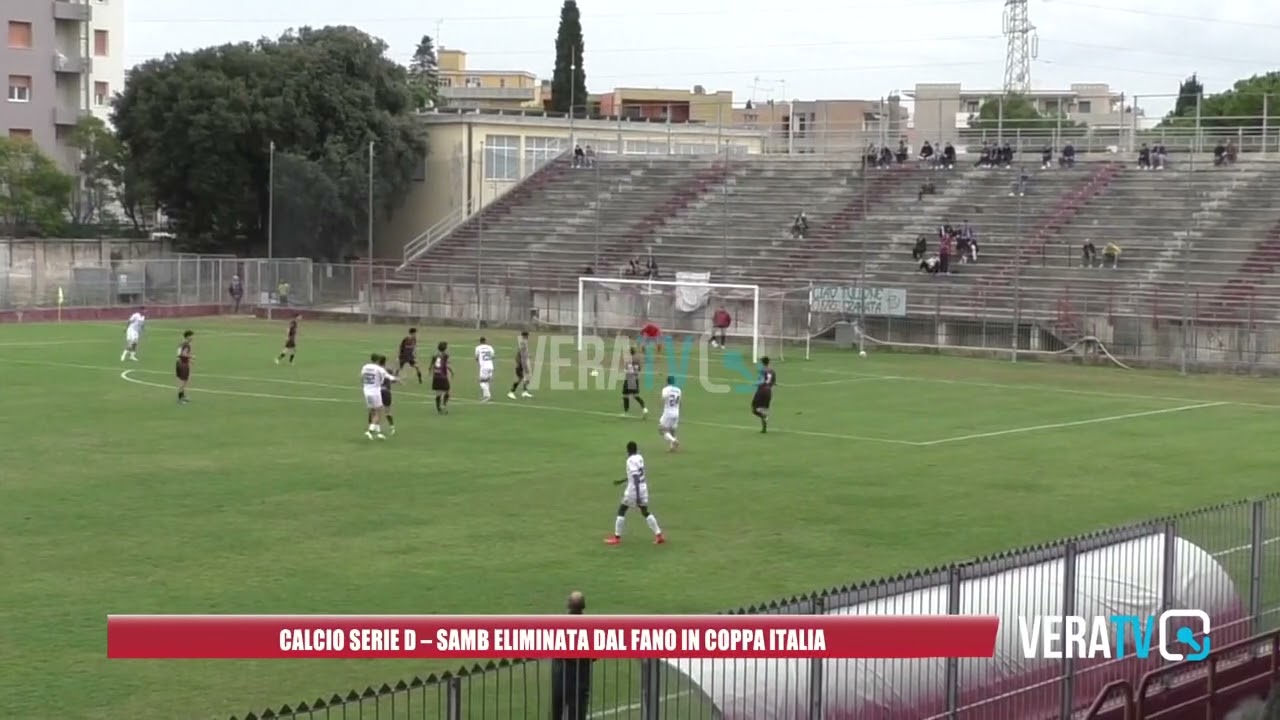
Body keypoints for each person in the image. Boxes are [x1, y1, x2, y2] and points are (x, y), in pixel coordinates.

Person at [605, 440, 665, 546]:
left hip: (634, 490)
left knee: (621, 510)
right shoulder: (640, 458)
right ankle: (659, 535)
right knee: (644, 511)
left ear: (627, 451)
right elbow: (636, 474)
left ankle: (616, 538)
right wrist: (622, 481)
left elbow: (636, 477)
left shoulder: (630, 460)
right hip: (643, 487)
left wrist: (637, 496)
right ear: (636, 449)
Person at [550, 592, 593, 720]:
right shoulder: (590, 627)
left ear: (568, 605)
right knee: (578, 714)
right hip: (580, 680)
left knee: (557, 713)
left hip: (560, 679)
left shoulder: (559, 624)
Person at [360, 353, 397, 439]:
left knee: (373, 411)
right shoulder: (383, 370)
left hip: (368, 391)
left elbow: (362, 378)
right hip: (380, 392)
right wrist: (398, 379)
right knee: (381, 411)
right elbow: (390, 378)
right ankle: (372, 430)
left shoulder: (366, 367)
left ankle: (378, 432)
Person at [752, 357, 776, 433]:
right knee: (763, 409)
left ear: (762, 363)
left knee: (754, 409)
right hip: (768, 391)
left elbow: (761, 381)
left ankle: (764, 417)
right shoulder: (772, 371)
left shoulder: (762, 370)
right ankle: (764, 429)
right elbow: (773, 382)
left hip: (761, 390)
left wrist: (755, 384)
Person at [621, 348, 647, 417]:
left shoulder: (628, 361)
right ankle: (644, 408)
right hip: (635, 379)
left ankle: (626, 412)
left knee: (625, 396)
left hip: (629, 379)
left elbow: (625, 370)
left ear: (630, 352)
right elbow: (639, 370)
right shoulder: (637, 361)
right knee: (636, 396)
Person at [657, 375, 681, 451]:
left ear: (667, 381)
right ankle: (672, 447)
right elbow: (680, 401)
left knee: (661, 429)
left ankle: (674, 441)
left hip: (668, 412)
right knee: (672, 430)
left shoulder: (666, 389)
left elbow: (663, 398)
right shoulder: (679, 390)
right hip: (676, 412)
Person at [508, 331, 534, 399]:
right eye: (527, 336)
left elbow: (523, 353)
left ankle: (525, 391)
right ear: (525, 336)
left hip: (523, 362)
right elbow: (519, 353)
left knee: (527, 377)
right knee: (520, 378)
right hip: (521, 363)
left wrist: (528, 355)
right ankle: (511, 392)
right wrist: (519, 363)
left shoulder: (524, 342)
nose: (528, 337)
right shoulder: (523, 342)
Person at [430, 341, 453, 414]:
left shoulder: (435, 355)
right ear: (445, 348)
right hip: (443, 376)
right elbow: (447, 365)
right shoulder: (445, 355)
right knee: (447, 391)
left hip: (436, 375)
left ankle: (439, 409)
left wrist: (431, 372)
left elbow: (431, 366)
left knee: (438, 393)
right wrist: (452, 371)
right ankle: (444, 405)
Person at [376, 354, 396, 436]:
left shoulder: (375, 371)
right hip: (387, 392)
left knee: (377, 411)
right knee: (387, 412)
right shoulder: (388, 370)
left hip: (378, 392)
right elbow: (392, 380)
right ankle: (392, 427)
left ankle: (377, 428)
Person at [175, 330, 194, 404]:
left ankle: (182, 396)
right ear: (188, 336)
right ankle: (180, 399)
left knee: (183, 381)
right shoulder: (186, 344)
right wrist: (191, 357)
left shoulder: (181, 343)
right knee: (183, 381)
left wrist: (189, 360)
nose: (192, 337)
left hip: (179, 362)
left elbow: (179, 353)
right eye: (191, 336)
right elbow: (184, 354)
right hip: (183, 364)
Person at [474, 336, 495, 402]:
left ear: (480, 342)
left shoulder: (478, 348)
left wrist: (479, 359)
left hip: (484, 367)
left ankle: (488, 396)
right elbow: (493, 356)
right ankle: (485, 395)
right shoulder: (490, 347)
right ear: (485, 341)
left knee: (482, 382)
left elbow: (476, 357)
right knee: (487, 381)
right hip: (491, 366)